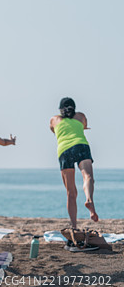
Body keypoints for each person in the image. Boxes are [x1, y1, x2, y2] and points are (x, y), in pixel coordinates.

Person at [50, 97, 98, 227]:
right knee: (88, 176)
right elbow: (84, 126)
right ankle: (89, 199)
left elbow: (53, 130)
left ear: (60, 109)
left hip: (64, 150)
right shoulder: (81, 116)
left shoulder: (54, 119)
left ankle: (74, 226)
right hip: (81, 145)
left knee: (71, 192)